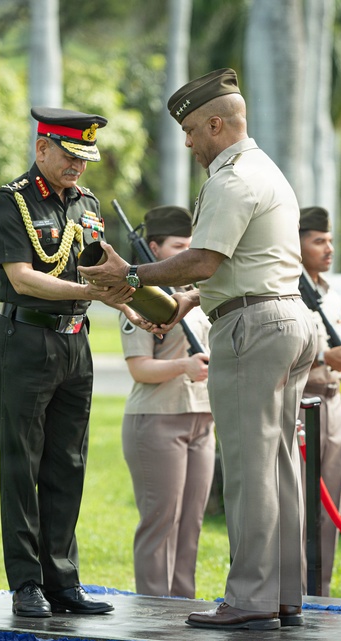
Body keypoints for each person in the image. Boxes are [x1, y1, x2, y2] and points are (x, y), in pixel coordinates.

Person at [79, 68, 316, 630]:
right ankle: (284, 595)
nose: (187, 142)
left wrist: (132, 274)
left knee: (251, 467)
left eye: (191, 130)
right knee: (280, 464)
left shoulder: (231, 179)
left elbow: (204, 259)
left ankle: (251, 600)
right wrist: (186, 301)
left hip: (253, 329)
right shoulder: (267, 170)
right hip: (287, 317)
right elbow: (233, 265)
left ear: (216, 124)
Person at [0, 107, 134, 618]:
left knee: (68, 463)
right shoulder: (10, 202)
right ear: (42, 147)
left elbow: (102, 270)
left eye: (84, 158)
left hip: (76, 343)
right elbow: (22, 277)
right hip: (27, 338)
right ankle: (26, 584)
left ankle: (63, 582)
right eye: (69, 156)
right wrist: (89, 292)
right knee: (22, 464)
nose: (77, 167)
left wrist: (138, 307)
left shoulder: (86, 204)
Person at [119, 205, 214, 599]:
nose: (185, 255)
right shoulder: (142, 297)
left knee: (191, 523)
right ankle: (154, 614)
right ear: (154, 248)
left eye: (190, 247)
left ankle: (182, 607)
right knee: (161, 522)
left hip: (201, 418)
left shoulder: (197, 293)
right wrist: (183, 365)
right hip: (157, 418)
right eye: (177, 246)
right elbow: (139, 368)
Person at [297, 206, 341, 596]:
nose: (328, 248)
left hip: (332, 403)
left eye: (330, 240)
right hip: (303, 402)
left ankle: (323, 592)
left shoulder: (328, 292)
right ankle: (296, 592)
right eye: (318, 241)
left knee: (330, 506)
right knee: (300, 505)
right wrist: (323, 358)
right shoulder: (289, 288)